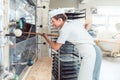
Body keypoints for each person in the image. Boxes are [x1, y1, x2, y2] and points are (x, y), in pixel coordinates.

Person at [42, 9, 99, 80]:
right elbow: (89, 21)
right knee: (91, 76)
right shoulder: (73, 22)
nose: (52, 24)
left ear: (60, 20)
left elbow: (56, 47)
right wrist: (84, 32)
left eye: (53, 21)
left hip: (89, 53)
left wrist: (46, 37)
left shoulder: (64, 30)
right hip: (94, 49)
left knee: (84, 78)